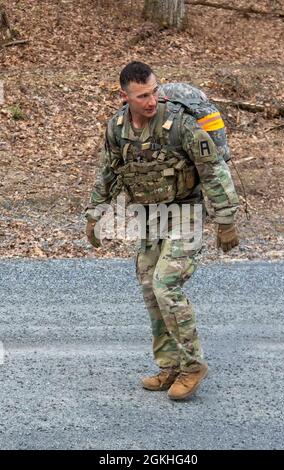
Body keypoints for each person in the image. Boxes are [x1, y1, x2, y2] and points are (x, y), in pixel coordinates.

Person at [85, 61, 239, 400]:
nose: (152, 100)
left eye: (154, 91)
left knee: (165, 284)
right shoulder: (117, 129)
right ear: (124, 96)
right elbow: (108, 172)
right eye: (142, 95)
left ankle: (193, 365)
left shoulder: (180, 125)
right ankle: (169, 365)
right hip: (151, 215)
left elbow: (212, 169)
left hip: (186, 212)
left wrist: (226, 219)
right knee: (149, 287)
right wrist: (94, 214)